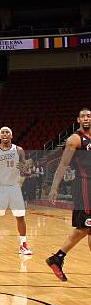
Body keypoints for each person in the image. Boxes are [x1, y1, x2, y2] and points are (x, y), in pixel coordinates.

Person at [46, 108, 91, 281]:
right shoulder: (75, 139)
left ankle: (57, 259)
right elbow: (63, 164)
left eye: (89, 116)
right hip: (84, 185)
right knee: (85, 226)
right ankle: (57, 258)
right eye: (83, 116)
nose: (86, 118)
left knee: (89, 229)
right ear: (78, 120)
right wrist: (54, 187)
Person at [0, 127, 32, 256]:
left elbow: (24, 169)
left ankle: (23, 245)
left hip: (14, 187)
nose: (5, 134)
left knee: (20, 216)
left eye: (7, 132)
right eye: (2, 133)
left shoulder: (19, 150)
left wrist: (26, 170)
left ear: (11, 135)